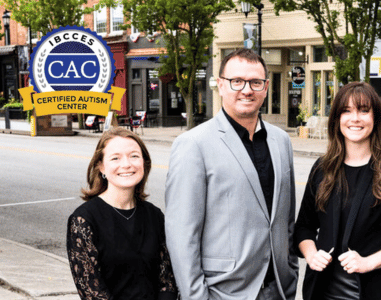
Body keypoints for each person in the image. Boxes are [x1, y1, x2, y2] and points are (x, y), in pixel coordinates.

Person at [165, 48, 298, 300]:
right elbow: (182, 234)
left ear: (266, 87)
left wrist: (290, 271)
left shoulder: (281, 141)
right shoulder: (193, 144)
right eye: (237, 81)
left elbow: (286, 220)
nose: (246, 90)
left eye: (255, 82)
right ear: (221, 85)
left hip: (278, 288)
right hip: (223, 291)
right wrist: (196, 296)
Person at [294, 81, 381, 300]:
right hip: (321, 290)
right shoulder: (322, 168)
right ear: (337, 119)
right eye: (346, 111)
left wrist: (368, 262)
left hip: (372, 289)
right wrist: (312, 254)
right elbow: (304, 227)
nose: (355, 118)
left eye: (363, 111)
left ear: (376, 118)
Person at [67, 127, 177, 300]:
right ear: (101, 167)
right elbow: (93, 293)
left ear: (144, 163)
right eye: (115, 158)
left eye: (134, 156)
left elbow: (167, 281)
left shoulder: (154, 216)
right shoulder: (84, 220)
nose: (126, 164)